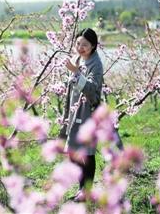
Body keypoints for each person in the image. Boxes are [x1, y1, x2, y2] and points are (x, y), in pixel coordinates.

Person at [59, 28, 102, 202]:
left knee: (87, 153)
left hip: (88, 113)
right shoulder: (77, 59)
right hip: (74, 110)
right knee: (72, 152)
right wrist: (66, 114)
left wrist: (77, 72)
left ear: (93, 46)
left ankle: (86, 191)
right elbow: (71, 89)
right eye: (78, 43)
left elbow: (93, 92)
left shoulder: (96, 64)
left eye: (85, 44)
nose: (80, 47)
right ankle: (82, 188)